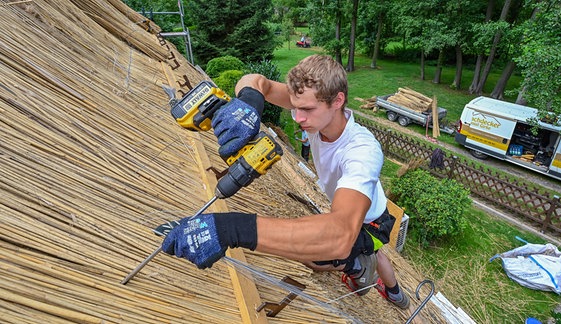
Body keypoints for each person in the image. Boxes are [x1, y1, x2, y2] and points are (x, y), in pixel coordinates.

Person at [161, 54, 410, 309]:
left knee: (320, 257)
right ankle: (386, 284)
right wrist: (249, 102)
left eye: (307, 110)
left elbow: (340, 234)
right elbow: (256, 81)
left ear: (338, 100)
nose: (298, 118)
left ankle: (378, 281)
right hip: (349, 204)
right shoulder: (313, 112)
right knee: (370, 254)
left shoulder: (362, 150)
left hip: (371, 222)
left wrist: (232, 230)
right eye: (295, 106)